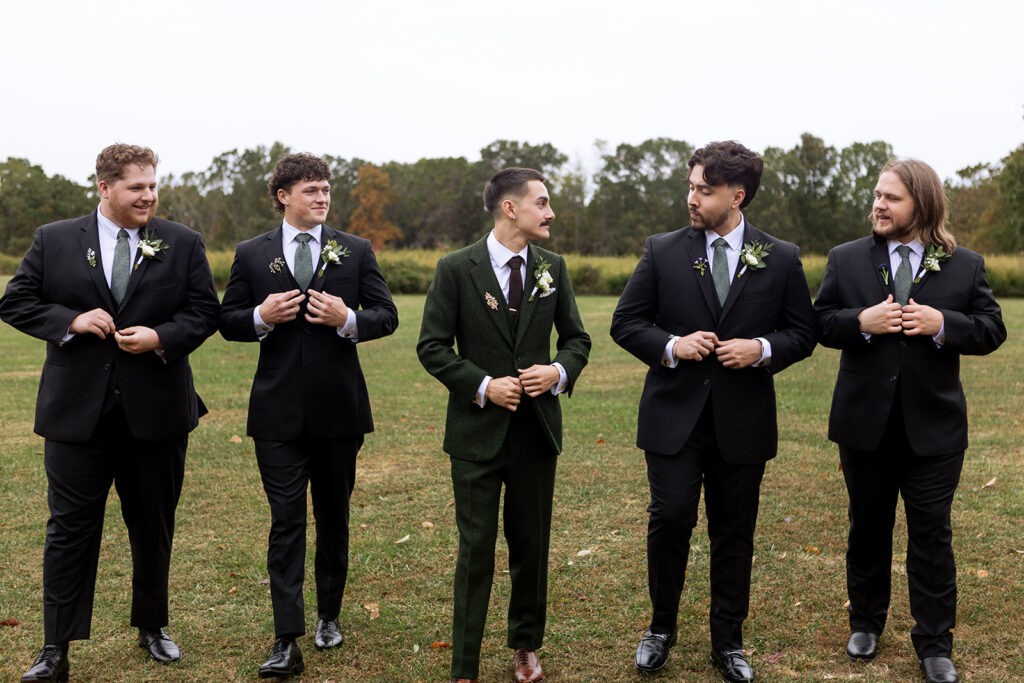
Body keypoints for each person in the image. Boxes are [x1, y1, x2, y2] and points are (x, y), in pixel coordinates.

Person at [0, 143, 219, 682]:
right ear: (104, 187)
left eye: (153, 186)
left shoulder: (182, 242)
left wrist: (160, 337)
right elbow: (16, 302)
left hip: (157, 412)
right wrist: (71, 321)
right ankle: (55, 647)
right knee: (69, 530)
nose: (149, 196)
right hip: (77, 415)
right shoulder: (54, 239)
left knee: (153, 525)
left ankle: (153, 625)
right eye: (136, 187)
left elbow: (204, 312)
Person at [610, 141, 816, 682]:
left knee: (735, 531)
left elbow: (803, 333)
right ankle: (660, 629)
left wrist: (761, 349)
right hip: (673, 419)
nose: (692, 198)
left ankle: (729, 642)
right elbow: (626, 322)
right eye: (691, 187)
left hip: (743, 421)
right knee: (670, 518)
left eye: (704, 189)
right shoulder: (662, 250)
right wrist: (672, 345)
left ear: (737, 195)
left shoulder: (781, 256)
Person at [814, 158, 1005, 683]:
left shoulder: (964, 265)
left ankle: (935, 643)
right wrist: (862, 321)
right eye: (877, 195)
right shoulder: (846, 259)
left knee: (932, 535)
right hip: (864, 425)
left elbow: (992, 329)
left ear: (922, 203)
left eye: (891, 198)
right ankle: (865, 623)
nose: (878, 205)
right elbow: (820, 323)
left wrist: (944, 323)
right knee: (867, 528)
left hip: (935, 429)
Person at [218, 152, 398, 678]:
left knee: (334, 518)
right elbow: (227, 319)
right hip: (276, 414)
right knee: (286, 521)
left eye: (326, 190)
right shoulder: (251, 253)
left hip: (339, 411)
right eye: (311, 190)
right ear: (283, 196)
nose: (322, 198)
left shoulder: (356, 250)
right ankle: (285, 638)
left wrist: (348, 319)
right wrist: (259, 316)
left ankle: (329, 616)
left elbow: (386, 315)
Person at [417, 168, 591, 683]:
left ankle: (525, 646)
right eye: (543, 202)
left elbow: (577, 340)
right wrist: (483, 385)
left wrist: (557, 372)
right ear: (510, 208)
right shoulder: (455, 268)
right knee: (475, 549)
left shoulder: (553, 267)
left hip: (537, 432)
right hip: (475, 435)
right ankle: (464, 664)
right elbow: (432, 346)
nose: (551, 212)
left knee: (531, 546)